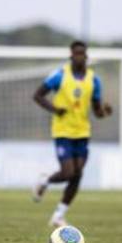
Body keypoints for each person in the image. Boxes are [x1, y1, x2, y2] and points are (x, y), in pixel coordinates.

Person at [32, 40, 113, 227]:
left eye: (82, 54)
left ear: (86, 57)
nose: (79, 57)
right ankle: (45, 180)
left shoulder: (94, 80)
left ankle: (58, 215)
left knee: (78, 174)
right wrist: (55, 109)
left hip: (82, 133)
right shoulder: (59, 75)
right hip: (62, 132)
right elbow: (38, 95)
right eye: (76, 53)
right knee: (68, 172)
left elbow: (97, 112)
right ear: (71, 56)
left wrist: (105, 111)